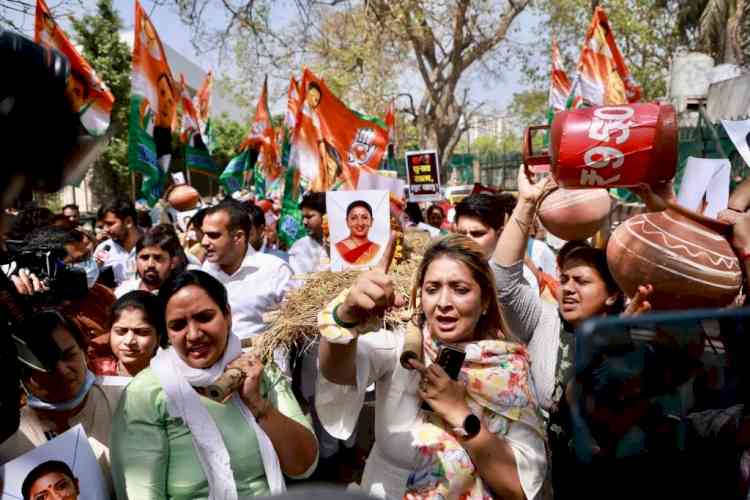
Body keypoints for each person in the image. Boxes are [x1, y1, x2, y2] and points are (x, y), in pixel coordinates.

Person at [317, 234, 547, 499]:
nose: (443, 303)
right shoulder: (401, 348)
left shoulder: (509, 369)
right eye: (432, 289)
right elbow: (337, 373)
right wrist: (346, 317)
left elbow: (519, 488)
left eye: (460, 289)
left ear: (484, 302)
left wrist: (459, 412)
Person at [110, 270, 318, 498]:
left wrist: (259, 405)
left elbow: (304, 466)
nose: (194, 334)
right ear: (166, 333)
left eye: (204, 317)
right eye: (178, 325)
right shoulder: (145, 393)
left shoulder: (258, 371)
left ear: (227, 315)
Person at [0, 310, 116, 492]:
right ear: (22, 373)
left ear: (85, 352)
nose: (62, 371)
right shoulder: (7, 440)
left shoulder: (129, 398)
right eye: (46, 365)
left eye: (68, 355)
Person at [200, 201, 294, 341]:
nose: (204, 242)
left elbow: (294, 326)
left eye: (213, 235)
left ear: (238, 237)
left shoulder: (276, 270)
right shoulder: (206, 271)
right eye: (204, 234)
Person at [454, 192, 543, 296]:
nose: (467, 240)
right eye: (461, 233)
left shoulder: (519, 278)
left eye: (477, 234)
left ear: (500, 234)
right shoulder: (447, 269)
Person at [90, 291, 164, 377]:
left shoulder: (170, 378)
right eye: (121, 331)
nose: (129, 341)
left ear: (159, 337)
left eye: (142, 332)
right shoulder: (93, 371)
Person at [114, 224, 183, 298]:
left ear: (173, 262)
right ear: (136, 260)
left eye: (158, 258)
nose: (150, 264)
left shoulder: (182, 294)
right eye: (145, 258)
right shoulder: (123, 292)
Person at [95, 198, 141, 286]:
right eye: (103, 225)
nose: (105, 230)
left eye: (110, 224)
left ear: (128, 222)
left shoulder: (150, 245)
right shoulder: (103, 249)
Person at [289, 192, 329, 275]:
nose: (304, 222)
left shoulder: (341, 246)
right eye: (303, 217)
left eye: (309, 217)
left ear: (325, 216)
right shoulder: (299, 247)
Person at [334, 200, 381, 266]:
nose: (360, 223)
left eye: (364, 217)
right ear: (347, 222)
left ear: (371, 221)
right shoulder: (337, 248)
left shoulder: (378, 249)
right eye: (354, 218)